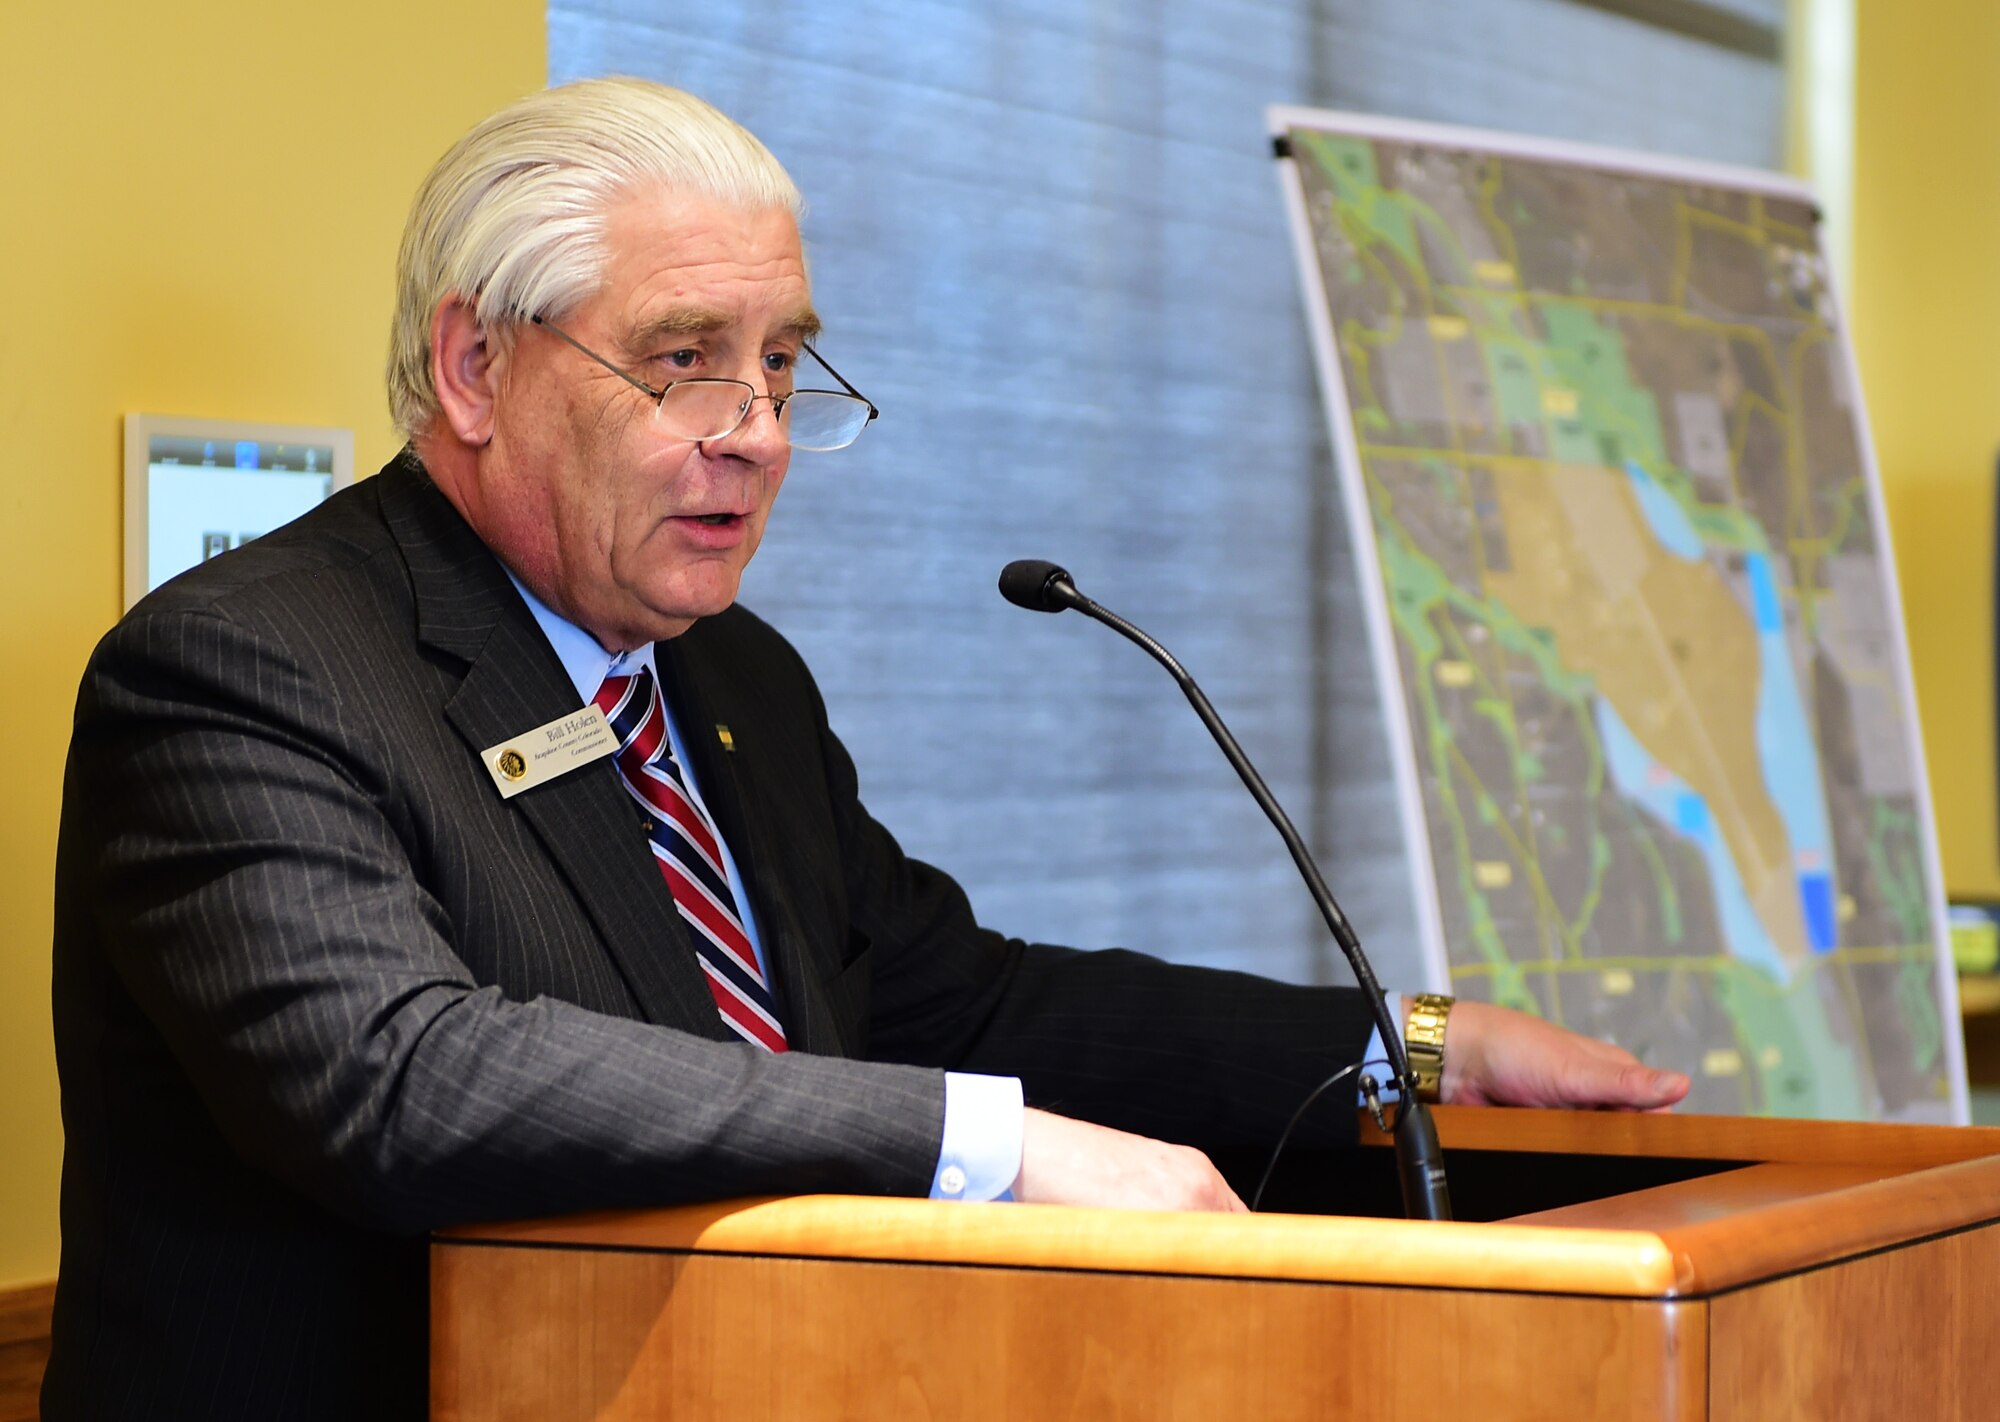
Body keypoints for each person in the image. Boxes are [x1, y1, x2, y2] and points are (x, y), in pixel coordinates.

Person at [44, 77, 1687, 1421]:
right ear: (477, 364)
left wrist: (1408, 1041)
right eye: (683, 359)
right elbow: (400, 1076)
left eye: (779, 361)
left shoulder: (728, 674)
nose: (755, 430)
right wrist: (991, 1150)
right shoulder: (244, 668)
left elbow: (954, 998)